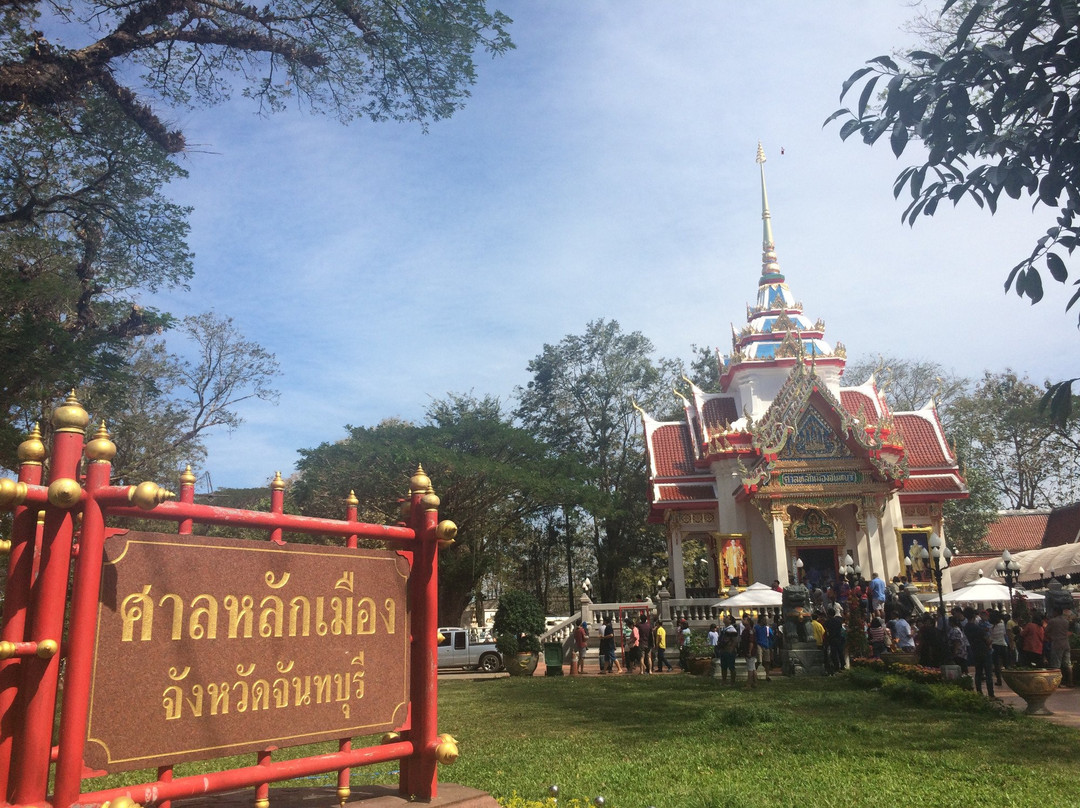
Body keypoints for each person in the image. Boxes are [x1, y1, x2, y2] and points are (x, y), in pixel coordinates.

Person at [964, 607, 995, 698]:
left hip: (975, 651)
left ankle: (979, 692)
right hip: (984, 651)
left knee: (978, 672)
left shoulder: (966, 627)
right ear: (974, 616)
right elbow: (987, 639)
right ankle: (991, 694)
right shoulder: (976, 628)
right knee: (988, 673)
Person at [1045, 607, 1073, 687]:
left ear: (1056, 612)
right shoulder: (1066, 621)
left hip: (1057, 644)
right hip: (1066, 644)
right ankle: (1070, 681)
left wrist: (1052, 637)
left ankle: (1057, 683)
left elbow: (1046, 631)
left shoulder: (1052, 621)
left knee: (1056, 665)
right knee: (1068, 664)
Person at [824, 605, 846, 674]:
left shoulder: (827, 622)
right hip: (839, 637)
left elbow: (826, 631)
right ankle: (842, 665)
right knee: (840, 652)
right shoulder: (838, 621)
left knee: (834, 653)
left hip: (832, 638)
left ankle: (836, 666)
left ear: (828, 614)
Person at [718, 615, 739, 684]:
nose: (724, 618)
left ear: (730, 621)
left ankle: (732, 681)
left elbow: (735, 640)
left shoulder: (731, 629)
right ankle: (724, 680)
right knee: (723, 666)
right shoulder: (724, 629)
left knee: (731, 666)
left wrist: (731, 649)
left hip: (729, 650)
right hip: (723, 650)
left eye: (727, 617)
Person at [740, 614, 759, 689]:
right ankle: (755, 682)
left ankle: (749, 684)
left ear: (748, 621)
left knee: (750, 668)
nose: (743, 620)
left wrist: (749, 651)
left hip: (750, 651)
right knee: (753, 667)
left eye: (744, 619)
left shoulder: (749, 630)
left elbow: (751, 642)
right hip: (749, 651)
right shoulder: (748, 629)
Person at [754, 613, 773, 681]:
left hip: (766, 645)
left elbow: (771, 636)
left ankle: (767, 675)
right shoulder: (756, 627)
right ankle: (754, 673)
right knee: (759, 661)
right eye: (764, 620)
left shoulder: (767, 628)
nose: (766, 621)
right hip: (759, 644)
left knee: (767, 661)